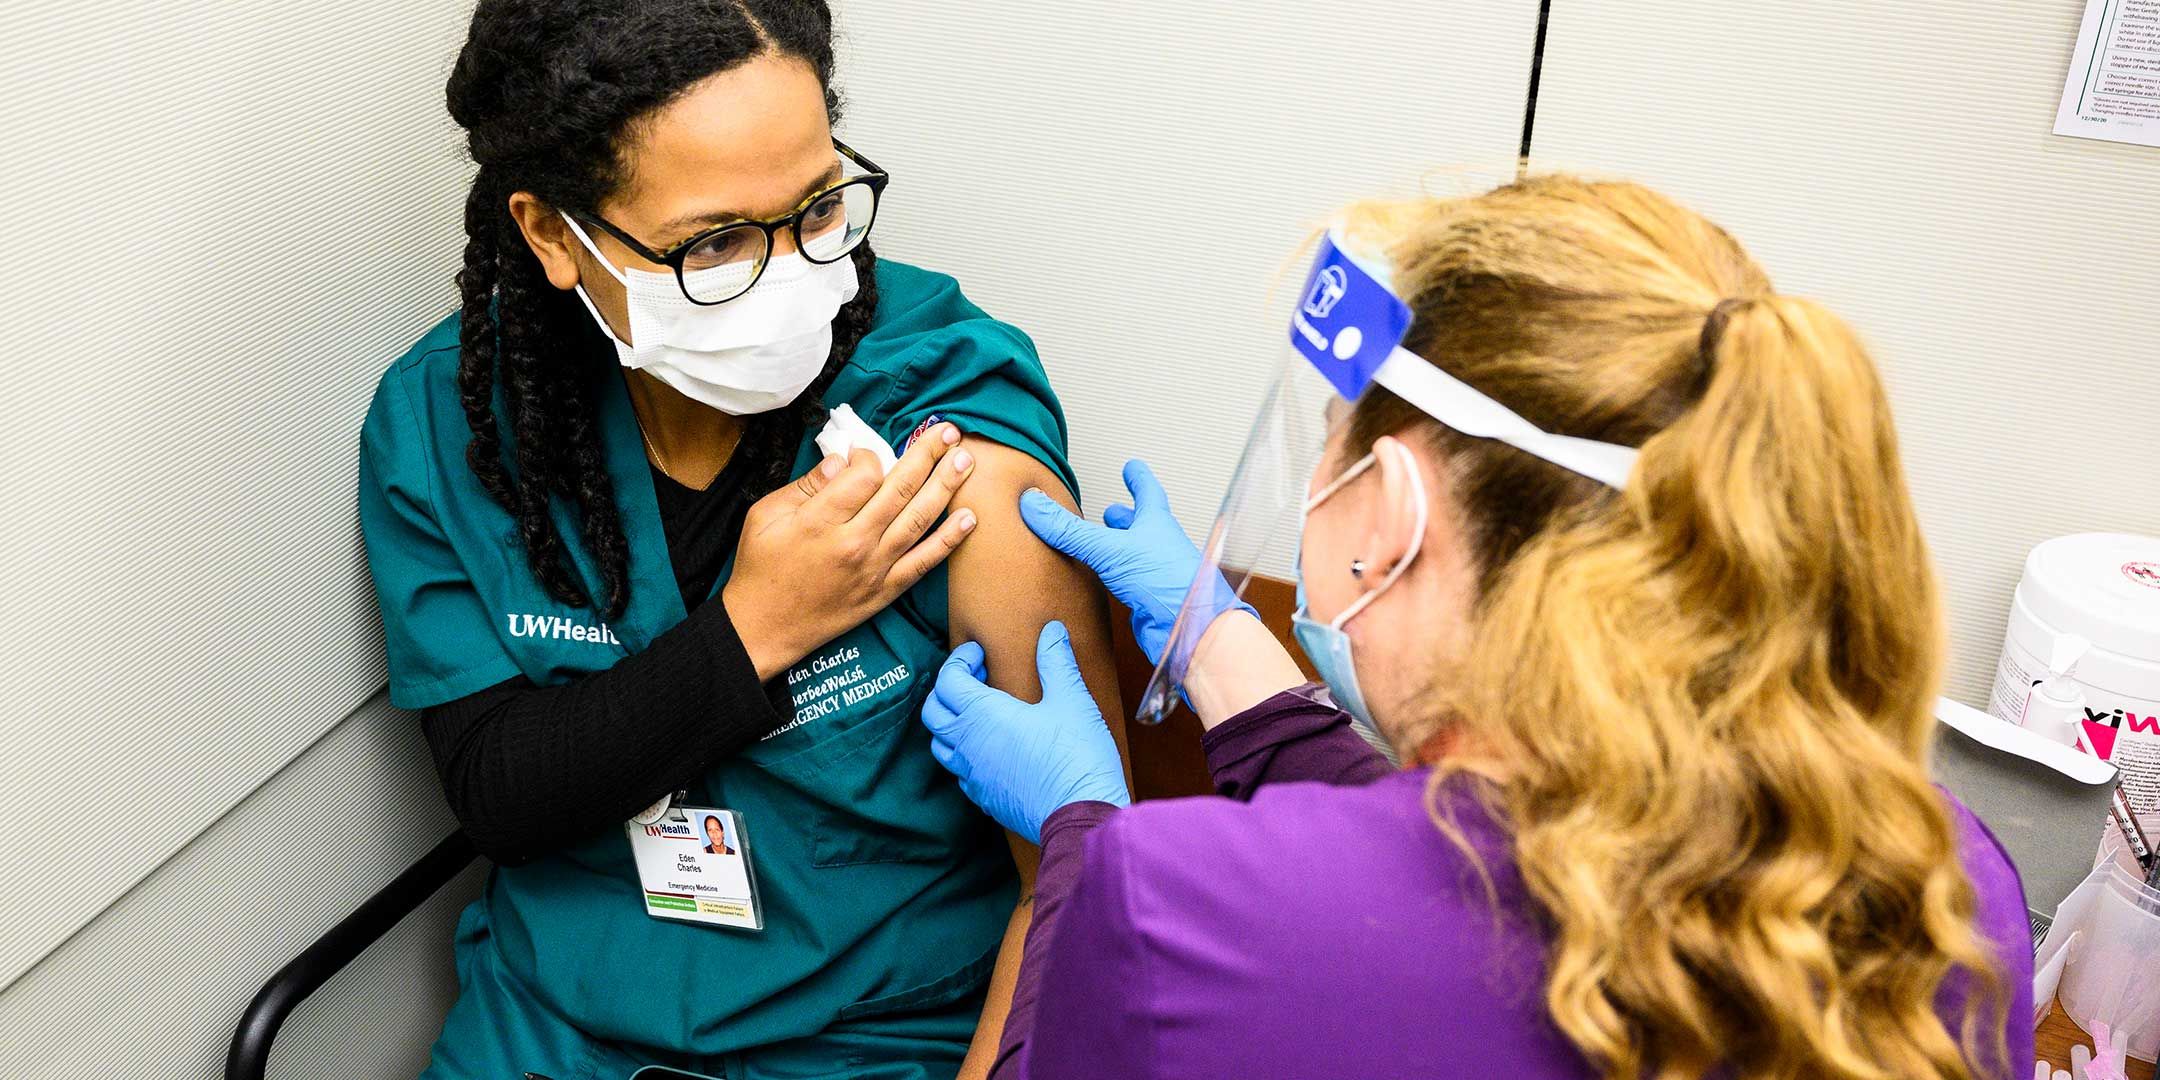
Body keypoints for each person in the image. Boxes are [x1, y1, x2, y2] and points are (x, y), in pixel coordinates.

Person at [921, 177, 2036, 1079]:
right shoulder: (1943, 883)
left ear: (1397, 513)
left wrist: (1079, 836)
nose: (1310, 484)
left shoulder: (1174, 906)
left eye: (1328, 441)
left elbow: (1404, 905)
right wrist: (1222, 650)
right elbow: (1502, 852)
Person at [355, 2, 1122, 1078]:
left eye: (816, 210)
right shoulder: (455, 424)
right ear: (550, 233)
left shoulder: (949, 446)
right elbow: (499, 792)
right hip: (554, 1036)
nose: (793, 275)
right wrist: (753, 630)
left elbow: (1074, 891)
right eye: (712, 241)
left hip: (876, 1043)